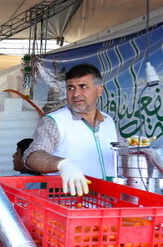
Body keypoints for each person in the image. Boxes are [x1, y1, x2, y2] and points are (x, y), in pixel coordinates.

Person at [23, 64, 125, 196]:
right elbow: (32, 156)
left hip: (108, 200)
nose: (76, 94)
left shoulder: (108, 121)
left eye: (83, 87)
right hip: (67, 202)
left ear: (99, 90)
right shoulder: (55, 121)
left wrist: (142, 152)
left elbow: (123, 153)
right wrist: (62, 164)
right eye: (71, 88)